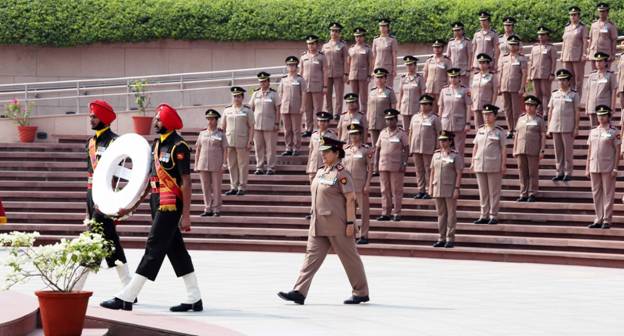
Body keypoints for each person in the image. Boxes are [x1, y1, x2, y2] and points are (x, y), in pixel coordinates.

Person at [101, 104, 202, 312]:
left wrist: (186, 216)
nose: (155, 122)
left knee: (153, 247)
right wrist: (131, 207)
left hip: (171, 206)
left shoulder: (178, 146)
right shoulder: (157, 145)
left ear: (168, 122)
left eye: (158, 119)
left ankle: (127, 296)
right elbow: (150, 181)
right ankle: (194, 298)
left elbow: (186, 182)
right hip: (156, 203)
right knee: (177, 251)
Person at [278, 136, 369, 305]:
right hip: (318, 223)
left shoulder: (341, 172)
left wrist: (350, 223)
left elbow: (350, 199)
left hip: (338, 224)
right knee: (310, 258)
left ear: (336, 153)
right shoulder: (321, 171)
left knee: (349, 259)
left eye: (327, 152)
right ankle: (299, 291)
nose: (323, 155)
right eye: (322, 152)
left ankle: (361, 291)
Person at [75, 99, 130, 291]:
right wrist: (87, 211)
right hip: (92, 196)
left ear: (104, 118)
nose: (90, 119)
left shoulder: (115, 141)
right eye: (90, 116)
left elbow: (117, 174)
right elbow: (89, 177)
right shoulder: (90, 142)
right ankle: (128, 287)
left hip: (106, 198)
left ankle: (76, 287)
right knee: (110, 242)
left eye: (94, 116)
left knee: (95, 241)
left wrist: (112, 201)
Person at [471, 104, 507, 225]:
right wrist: (472, 161)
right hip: (480, 163)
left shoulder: (499, 131)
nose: (486, 117)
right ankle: (483, 214)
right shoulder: (480, 130)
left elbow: (503, 149)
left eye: (489, 114)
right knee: (483, 192)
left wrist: (503, 164)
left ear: (495, 116)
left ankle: (493, 214)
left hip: (494, 164)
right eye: (485, 115)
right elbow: (475, 147)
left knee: (494, 191)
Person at [586, 105, 620, 229]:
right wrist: (587, 167)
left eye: (604, 115)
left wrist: (616, 167)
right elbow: (590, 150)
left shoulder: (614, 131)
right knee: (596, 193)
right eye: (599, 115)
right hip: (594, 166)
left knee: (608, 193)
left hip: (608, 166)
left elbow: (617, 151)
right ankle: (598, 218)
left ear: (608, 116)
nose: (601, 117)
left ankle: (606, 219)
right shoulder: (593, 131)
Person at [429, 131, 463, 248]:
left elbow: (459, 173)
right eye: (440, 140)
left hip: (450, 187)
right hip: (437, 187)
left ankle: (450, 237)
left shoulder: (455, 155)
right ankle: (441, 237)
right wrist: (430, 187)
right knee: (441, 214)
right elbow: (432, 171)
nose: (442, 143)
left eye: (444, 140)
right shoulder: (436, 155)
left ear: (450, 141)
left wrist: (457, 188)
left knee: (451, 214)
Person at [342, 124, 374, 245]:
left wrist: (368, 184)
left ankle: (364, 235)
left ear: (360, 135)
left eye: (356, 134)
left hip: (361, 185)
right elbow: (342, 168)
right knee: (350, 212)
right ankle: (353, 235)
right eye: (351, 134)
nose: (353, 136)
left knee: (364, 212)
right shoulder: (346, 150)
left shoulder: (366, 149)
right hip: (349, 187)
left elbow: (370, 168)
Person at [375, 108, 409, 221]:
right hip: (383, 165)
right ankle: (386, 212)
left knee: (396, 190)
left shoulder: (401, 133)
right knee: (384, 190)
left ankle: (397, 212)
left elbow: (406, 149)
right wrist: (375, 164)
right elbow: (377, 149)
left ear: (396, 120)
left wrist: (404, 163)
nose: (389, 122)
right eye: (387, 120)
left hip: (396, 166)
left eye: (391, 119)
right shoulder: (382, 132)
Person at [548, 69, 580, 182]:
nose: (561, 82)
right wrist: (548, 126)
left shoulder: (574, 94)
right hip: (555, 125)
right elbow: (550, 111)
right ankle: (559, 172)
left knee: (567, 150)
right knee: (558, 151)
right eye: (559, 80)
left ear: (568, 81)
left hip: (568, 126)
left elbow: (577, 111)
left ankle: (568, 171)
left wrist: (576, 127)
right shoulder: (554, 94)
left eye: (563, 80)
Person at [195, 109, 227, 217]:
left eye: (212, 119)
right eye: (208, 119)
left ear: (216, 120)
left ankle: (216, 208)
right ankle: (207, 208)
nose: (210, 121)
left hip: (216, 164)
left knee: (217, 187)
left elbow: (225, 149)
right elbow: (198, 149)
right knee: (205, 187)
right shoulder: (202, 133)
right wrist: (196, 164)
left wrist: (224, 163)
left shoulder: (221, 134)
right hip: (203, 163)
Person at [513, 95, 546, 202]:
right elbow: (517, 135)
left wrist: (542, 150)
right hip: (520, 149)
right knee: (522, 173)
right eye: (527, 105)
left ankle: (532, 192)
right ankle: (523, 193)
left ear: (536, 107)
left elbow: (543, 135)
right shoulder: (521, 118)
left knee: (532, 172)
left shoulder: (539, 119)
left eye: (531, 105)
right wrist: (514, 149)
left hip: (533, 149)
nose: (529, 107)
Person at [222, 86, 254, 196]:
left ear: (242, 97)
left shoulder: (247, 110)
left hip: (242, 141)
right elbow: (223, 127)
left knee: (242, 165)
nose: (236, 98)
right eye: (235, 96)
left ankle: (242, 186)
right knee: (232, 165)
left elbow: (251, 127)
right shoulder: (227, 110)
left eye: (239, 96)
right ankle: (233, 186)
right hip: (230, 141)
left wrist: (250, 141)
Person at [409, 94, 442, 199]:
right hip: (416, 147)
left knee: (429, 169)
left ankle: (429, 189)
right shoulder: (415, 117)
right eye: (422, 104)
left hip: (428, 148)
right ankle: (421, 189)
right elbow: (411, 132)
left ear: (431, 105)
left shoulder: (434, 118)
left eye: (425, 104)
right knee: (419, 170)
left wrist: (437, 147)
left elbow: (439, 134)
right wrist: (411, 146)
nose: (423, 106)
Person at [306, 112, 337, 219]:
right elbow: (311, 151)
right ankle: (313, 210)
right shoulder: (314, 134)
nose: (322, 123)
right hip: (314, 166)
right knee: (313, 190)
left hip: (325, 167)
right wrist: (308, 166)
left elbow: (334, 153)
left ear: (328, 123)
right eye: (320, 121)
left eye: (324, 121)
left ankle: (321, 210)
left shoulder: (332, 135)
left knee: (323, 190)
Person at [250, 71, 280, 175]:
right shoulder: (255, 94)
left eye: (264, 81)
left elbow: (278, 109)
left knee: (270, 148)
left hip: (270, 125)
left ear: (268, 82)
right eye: (261, 82)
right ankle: (259, 167)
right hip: (257, 125)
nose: (262, 83)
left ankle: (271, 167)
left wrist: (277, 123)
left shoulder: (274, 94)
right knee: (258, 147)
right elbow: (251, 109)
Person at [497, 34, 527, 139]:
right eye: (511, 45)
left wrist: (522, 87)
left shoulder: (522, 58)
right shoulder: (504, 58)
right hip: (505, 86)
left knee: (516, 110)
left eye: (515, 45)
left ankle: (516, 129)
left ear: (518, 46)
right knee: (507, 109)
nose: (513, 47)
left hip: (516, 87)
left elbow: (524, 74)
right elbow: (500, 73)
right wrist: (499, 86)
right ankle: (510, 129)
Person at [439, 68, 472, 156]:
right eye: (451, 77)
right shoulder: (444, 90)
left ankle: (459, 167)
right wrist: (439, 121)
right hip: (446, 123)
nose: (453, 79)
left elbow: (468, 106)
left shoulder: (465, 90)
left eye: (455, 77)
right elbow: (441, 106)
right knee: (445, 148)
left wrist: (467, 123)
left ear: (459, 78)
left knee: (459, 149)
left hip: (459, 123)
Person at [301, 34, 328, 137]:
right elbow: (301, 72)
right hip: (306, 87)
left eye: (313, 44)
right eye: (309, 44)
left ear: (316, 44)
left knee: (317, 109)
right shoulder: (303, 57)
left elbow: (325, 71)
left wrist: (325, 86)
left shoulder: (321, 56)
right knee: (307, 109)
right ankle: (308, 128)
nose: (311, 46)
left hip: (317, 86)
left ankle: (317, 128)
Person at [527, 26, 557, 117]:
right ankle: (538, 111)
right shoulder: (534, 48)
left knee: (545, 94)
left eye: (543, 35)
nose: (541, 37)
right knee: (536, 94)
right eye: (539, 35)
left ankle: (545, 112)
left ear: (547, 36)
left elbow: (553, 61)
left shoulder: (550, 48)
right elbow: (531, 62)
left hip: (545, 73)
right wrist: (529, 75)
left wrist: (552, 73)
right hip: (535, 73)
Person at [278, 56, 304, 156]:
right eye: (289, 65)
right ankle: (288, 147)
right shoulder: (284, 79)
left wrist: (302, 106)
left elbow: (304, 93)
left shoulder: (300, 79)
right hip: (285, 107)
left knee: (296, 129)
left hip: (296, 107)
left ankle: (296, 148)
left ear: (296, 67)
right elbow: (280, 93)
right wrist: (280, 106)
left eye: (293, 65)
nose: (291, 67)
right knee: (287, 129)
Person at [560, 6, 588, 98]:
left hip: (577, 56)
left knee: (578, 80)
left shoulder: (582, 27)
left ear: (579, 16)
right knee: (568, 78)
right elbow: (564, 42)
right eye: (571, 15)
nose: (572, 16)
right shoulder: (567, 27)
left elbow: (585, 42)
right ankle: (570, 97)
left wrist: (584, 54)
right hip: (567, 56)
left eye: (574, 15)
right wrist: (562, 54)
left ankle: (578, 99)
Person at [323, 22, 348, 120]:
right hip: (327, 74)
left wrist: (346, 73)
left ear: (339, 33)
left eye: (336, 31)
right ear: (330, 32)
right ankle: (329, 112)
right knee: (328, 94)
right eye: (332, 31)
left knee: (338, 94)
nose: (334, 33)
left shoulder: (342, 45)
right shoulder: (325, 46)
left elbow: (346, 60)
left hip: (339, 73)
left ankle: (337, 113)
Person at [584, 52, 617, 128]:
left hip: (604, 107)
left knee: (605, 130)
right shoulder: (592, 75)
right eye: (596, 61)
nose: (598, 63)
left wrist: (612, 108)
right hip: (592, 107)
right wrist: (587, 107)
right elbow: (588, 92)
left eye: (600, 61)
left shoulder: (610, 75)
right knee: (594, 130)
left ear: (605, 62)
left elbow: (613, 92)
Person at [367, 68, 397, 146]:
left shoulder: (389, 91)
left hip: (384, 123)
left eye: (381, 77)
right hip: (373, 123)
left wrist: (392, 121)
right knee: (374, 146)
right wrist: (368, 119)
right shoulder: (372, 91)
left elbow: (393, 106)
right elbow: (369, 106)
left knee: (384, 145)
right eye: (377, 77)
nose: (379, 79)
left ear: (385, 79)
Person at [347, 27, 373, 116]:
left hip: (363, 75)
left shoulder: (367, 49)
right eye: (357, 36)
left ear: (363, 37)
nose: (358, 38)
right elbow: (348, 63)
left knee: (363, 97)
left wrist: (369, 75)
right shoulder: (351, 49)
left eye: (360, 36)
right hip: (353, 75)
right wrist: (347, 75)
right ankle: (355, 113)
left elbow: (370, 63)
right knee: (354, 96)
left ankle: (364, 114)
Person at [423, 39, 452, 113]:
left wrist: (448, 87)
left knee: (441, 109)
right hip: (430, 89)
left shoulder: (447, 61)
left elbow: (449, 75)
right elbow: (425, 75)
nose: (437, 49)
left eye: (439, 47)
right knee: (429, 109)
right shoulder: (429, 60)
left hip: (441, 88)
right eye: (435, 47)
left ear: (442, 48)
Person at [588, 3, 618, 70]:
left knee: (605, 75)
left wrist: (613, 54)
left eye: (603, 11)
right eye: (600, 11)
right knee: (594, 74)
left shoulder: (611, 25)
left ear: (607, 12)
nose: (601, 13)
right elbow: (591, 39)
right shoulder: (593, 24)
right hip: (594, 53)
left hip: (605, 54)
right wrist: (588, 52)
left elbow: (614, 40)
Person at [398, 55, 425, 129]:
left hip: (415, 107)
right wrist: (399, 105)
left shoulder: (419, 78)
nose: (409, 67)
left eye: (410, 65)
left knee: (415, 129)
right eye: (407, 65)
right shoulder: (403, 78)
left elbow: (423, 93)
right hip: (405, 107)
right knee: (405, 130)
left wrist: (422, 106)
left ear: (415, 65)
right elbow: (401, 92)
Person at [471, 53, 497, 128]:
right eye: (480, 63)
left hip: (487, 105)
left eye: (484, 62)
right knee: (478, 128)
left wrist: (493, 104)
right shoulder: (475, 75)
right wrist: (472, 102)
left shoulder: (492, 76)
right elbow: (472, 90)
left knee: (488, 126)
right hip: (476, 104)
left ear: (488, 64)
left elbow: (495, 91)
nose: (481, 64)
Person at [372, 19, 398, 87]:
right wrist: (372, 69)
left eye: (384, 26)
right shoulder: (375, 40)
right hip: (377, 67)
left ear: (388, 28)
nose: (382, 28)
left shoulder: (392, 40)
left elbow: (394, 55)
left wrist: (394, 69)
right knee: (377, 88)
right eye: (381, 26)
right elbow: (373, 56)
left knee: (388, 88)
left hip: (388, 68)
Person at [446, 22, 473, 86]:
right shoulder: (451, 42)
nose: (456, 32)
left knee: (464, 88)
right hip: (452, 69)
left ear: (462, 30)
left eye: (458, 30)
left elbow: (470, 56)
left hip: (463, 70)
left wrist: (468, 69)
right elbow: (448, 56)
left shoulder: (467, 41)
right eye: (455, 30)